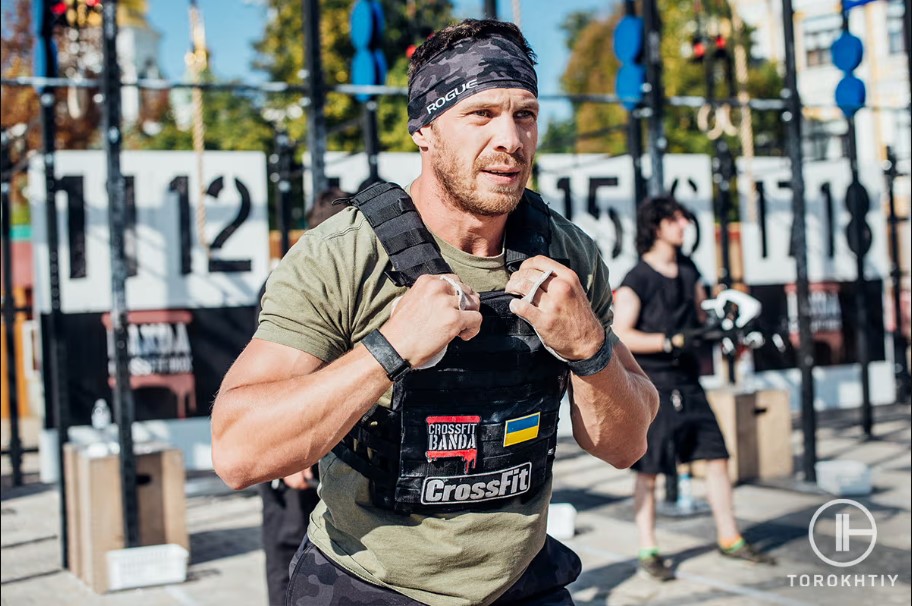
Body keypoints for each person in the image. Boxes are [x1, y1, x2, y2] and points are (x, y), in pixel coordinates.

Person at [212, 19, 658, 606]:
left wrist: (588, 347)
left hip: (521, 584)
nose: (511, 139)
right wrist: (388, 349)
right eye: (481, 115)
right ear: (424, 130)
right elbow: (237, 452)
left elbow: (626, 447)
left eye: (524, 115)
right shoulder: (343, 252)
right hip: (367, 585)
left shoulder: (566, 253)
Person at [612, 196, 776, 582]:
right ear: (657, 227)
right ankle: (648, 548)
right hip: (652, 386)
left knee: (716, 457)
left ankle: (729, 537)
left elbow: (704, 318)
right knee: (648, 471)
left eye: (685, 218)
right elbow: (622, 334)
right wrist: (670, 341)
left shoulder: (689, 271)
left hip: (689, 382)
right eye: (677, 219)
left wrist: (726, 329)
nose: (685, 225)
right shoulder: (638, 278)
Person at [257, 188, 349, 606]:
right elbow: (267, 379)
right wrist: (289, 450)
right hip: (297, 435)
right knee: (288, 542)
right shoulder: (290, 281)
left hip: (343, 437)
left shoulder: (361, 276)